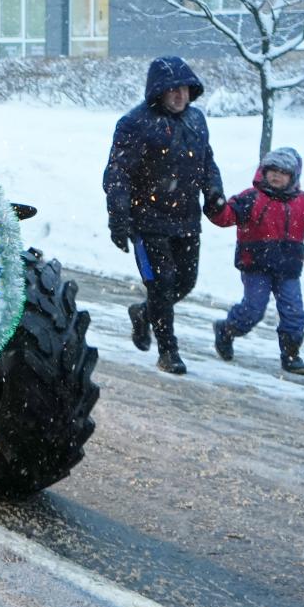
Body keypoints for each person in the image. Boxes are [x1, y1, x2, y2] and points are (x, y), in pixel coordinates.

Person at [103, 56, 225, 376]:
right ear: (158, 91)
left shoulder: (196, 120)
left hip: (187, 219)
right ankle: (168, 350)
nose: (179, 95)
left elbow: (207, 162)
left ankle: (144, 313)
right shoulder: (135, 123)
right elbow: (118, 174)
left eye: (184, 88)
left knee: (185, 281)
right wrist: (119, 218)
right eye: (172, 89)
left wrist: (214, 192)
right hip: (147, 221)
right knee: (161, 285)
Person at [207, 148, 304, 375]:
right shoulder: (251, 197)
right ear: (263, 171)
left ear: (293, 176)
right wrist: (216, 206)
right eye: (272, 170)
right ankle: (227, 330)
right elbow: (226, 216)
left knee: (294, 312)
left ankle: (291, 354)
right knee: (253, 309)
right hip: (255, 266)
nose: (276, 175)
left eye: (283, 172)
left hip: (288, 269)